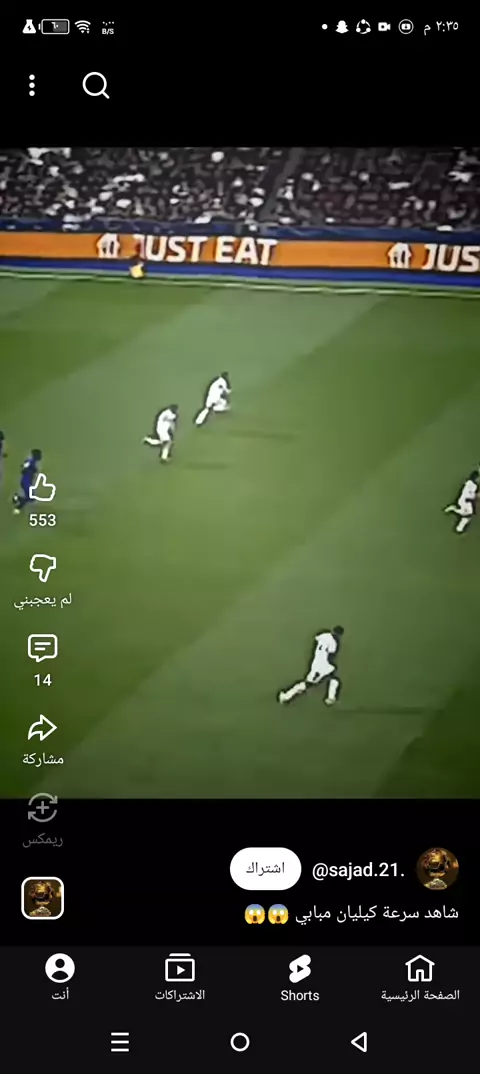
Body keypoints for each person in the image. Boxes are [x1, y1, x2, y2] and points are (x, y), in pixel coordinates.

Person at [277, 626, 344, 706]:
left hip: (316, 662)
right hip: (322, 666)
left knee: (334, 678)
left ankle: (331, 698)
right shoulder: (334, 643)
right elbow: (331, 656)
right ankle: (286, 697)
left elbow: (317, 639)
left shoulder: (324, 635)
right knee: (308, 683)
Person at [12, 448, 42, 514]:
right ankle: (17, 508)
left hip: (27, 482)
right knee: (30, 498)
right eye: (39, 455)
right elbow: (24, 468)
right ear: (36, 455)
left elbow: (24, 468)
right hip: (26, 482)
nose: (40, 456)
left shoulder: (32, 462)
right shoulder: (31, 462)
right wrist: (28, 469)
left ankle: (16, 498)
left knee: (31, 498)